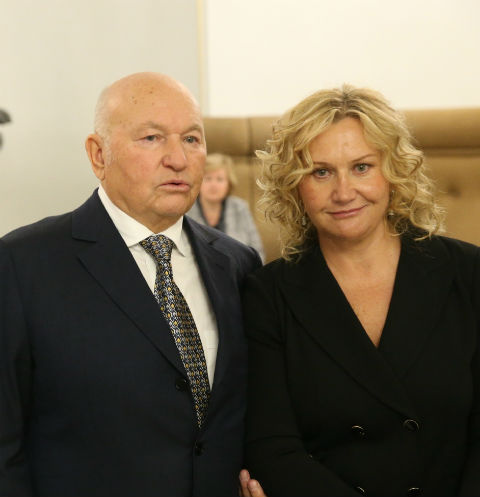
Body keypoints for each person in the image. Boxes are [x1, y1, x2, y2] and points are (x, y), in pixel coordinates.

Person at [0, 72, 262, 497]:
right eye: (152, 138)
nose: (178, 159)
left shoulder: (237, 263)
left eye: (192, 139)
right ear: (98, 154)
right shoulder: (22, 264)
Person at [242, 84, 480, 496]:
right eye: (321, 172)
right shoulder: (267, 294)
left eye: (362, 167)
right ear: (294, 186)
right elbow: (272, 447)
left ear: (394, 171)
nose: (343, 192)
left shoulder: (469, 272)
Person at [187, 153, 265, 262]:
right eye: (208, 178)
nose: (213, 185)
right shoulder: (186, 208)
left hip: (237, 270)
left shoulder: (240, 208)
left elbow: (257, 252)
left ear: (229, 184)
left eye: (219, 179)